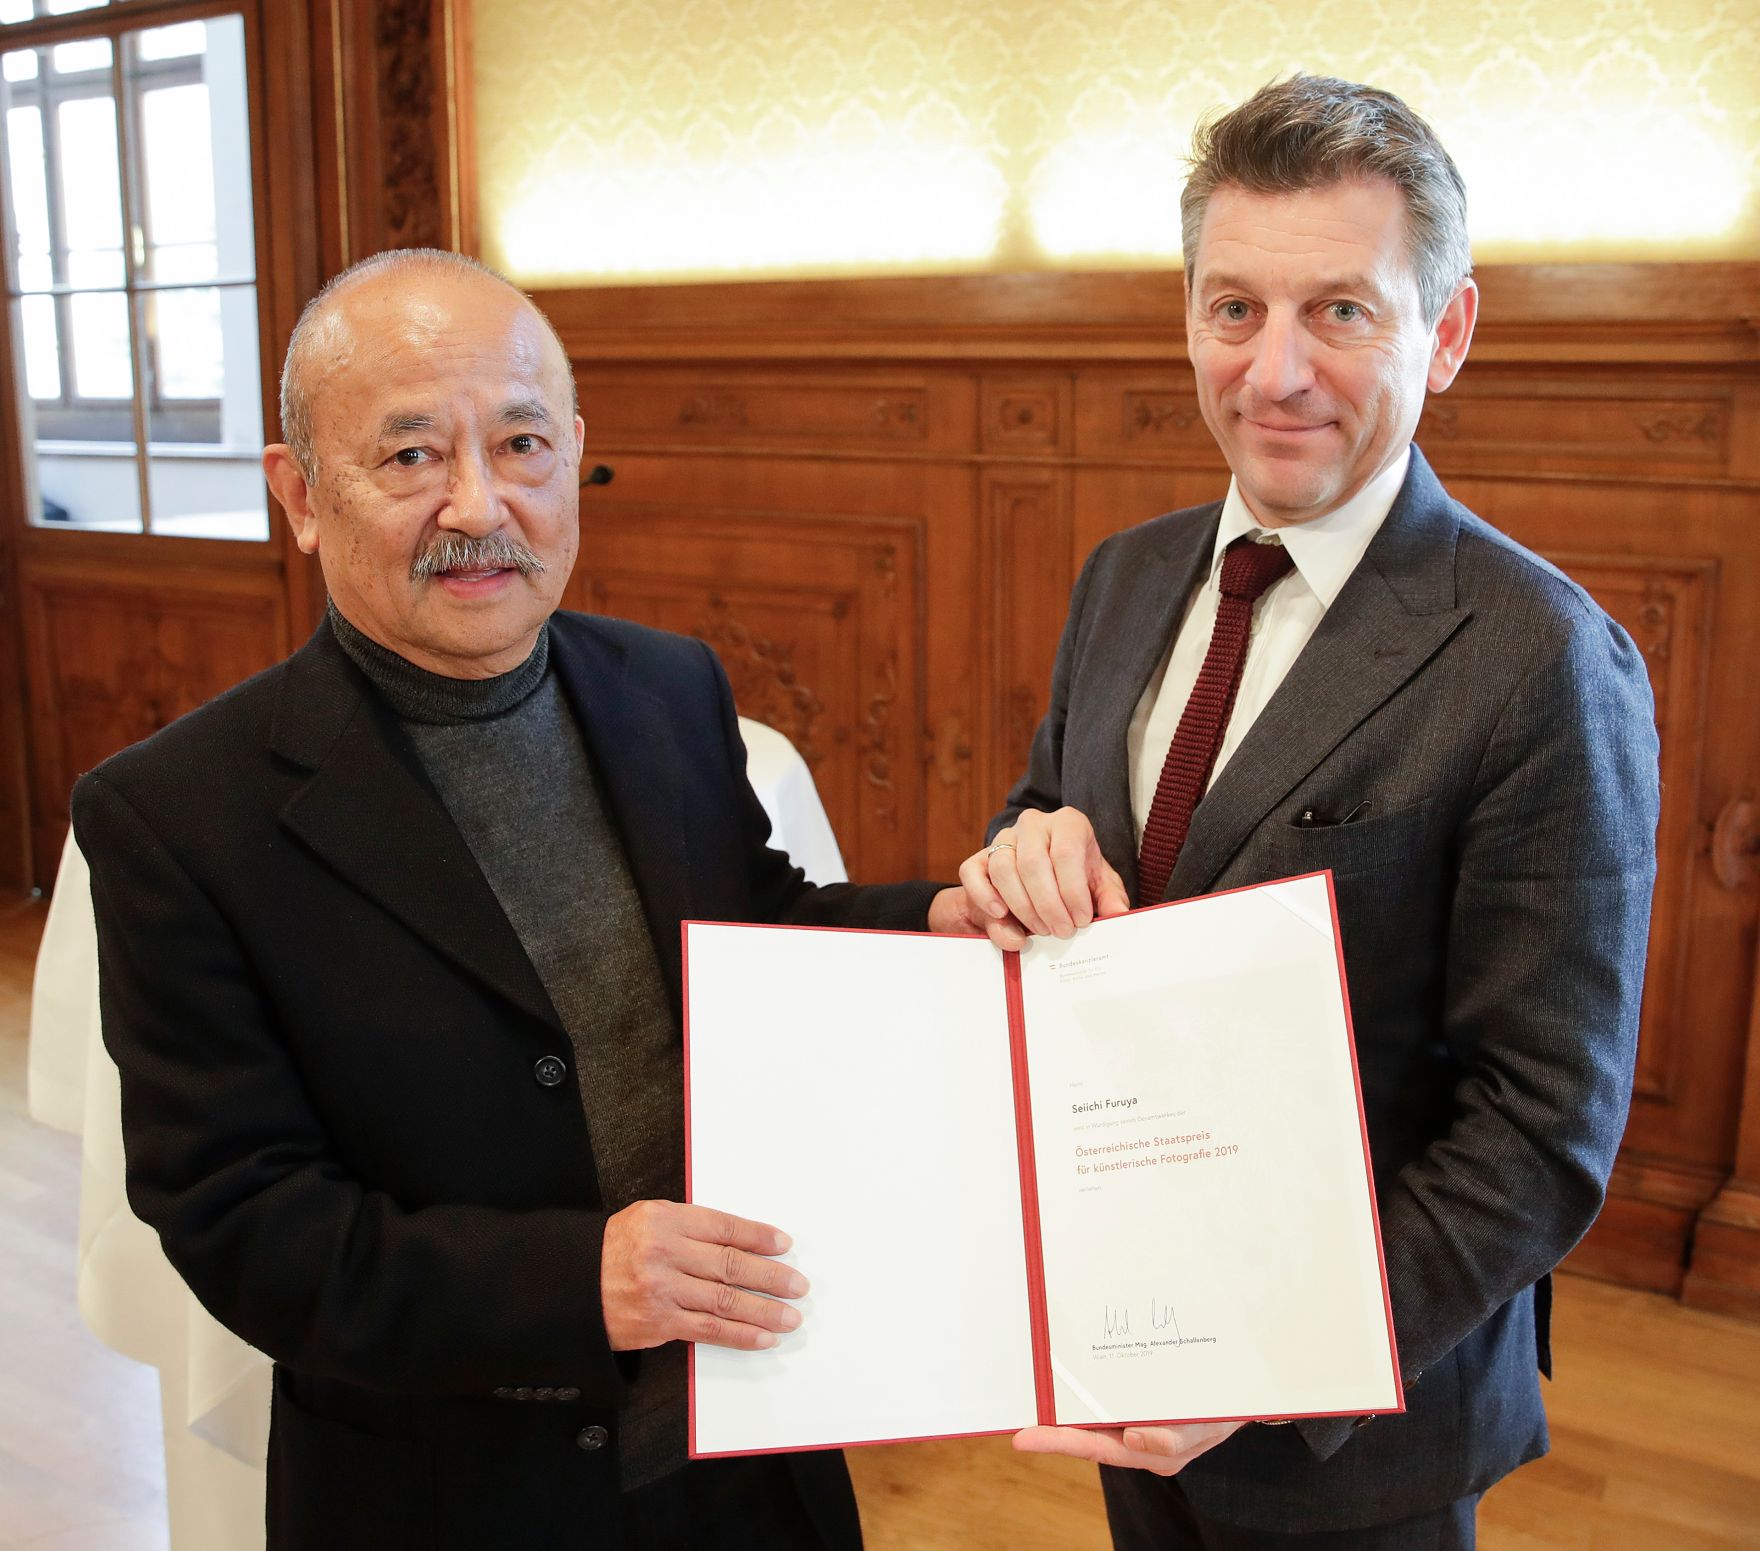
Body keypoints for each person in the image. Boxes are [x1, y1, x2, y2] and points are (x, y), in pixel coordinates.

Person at [72, 249, 965, 1551]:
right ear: (299, 494)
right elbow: (241, 1218)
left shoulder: (666, 689)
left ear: (576, 456)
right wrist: (576, 1280)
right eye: (410, 457)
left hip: (745, 1443)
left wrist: (936, 923)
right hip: (448, 1484)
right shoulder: (179, 813)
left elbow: (753, 927)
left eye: (524, 443)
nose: (478, 503)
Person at [943, 76, 1660, 1549]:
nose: (1275, 372)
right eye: (1234, 309)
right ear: (1186, 314)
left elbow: (1543, 1127)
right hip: (1121, 1355)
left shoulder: (1539, 657)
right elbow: (1055, 817)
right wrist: (1021, 852)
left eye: (1341, 311)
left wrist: (1274, 1351)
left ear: (1446, 332)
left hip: (1359, 1427)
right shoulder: (1126, 577)